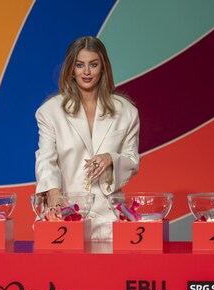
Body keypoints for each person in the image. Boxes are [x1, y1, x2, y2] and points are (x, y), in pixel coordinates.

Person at [34, 36, 141, 240]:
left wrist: (111, 158)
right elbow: (45, 159)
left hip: (110, 218)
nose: (86, 72)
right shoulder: (49, 112)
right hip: (65, 213)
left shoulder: (127, 112)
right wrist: (53, 193)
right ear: (71, 69)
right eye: (80, 65)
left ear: (103, 68)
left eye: (93, 64)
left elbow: (133, 160)